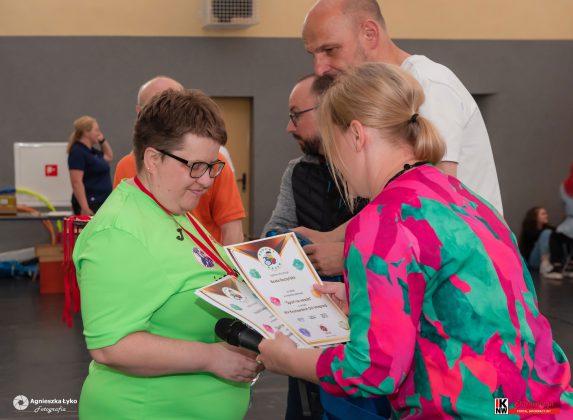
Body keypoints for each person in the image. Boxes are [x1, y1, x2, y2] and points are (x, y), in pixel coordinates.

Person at [257, 63, 573, 419]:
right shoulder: (461, 196)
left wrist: (290, 360)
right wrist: (372, 298)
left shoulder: (383, 218)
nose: (336, 163)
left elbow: (373, 371)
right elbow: (469, 299)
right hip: (535, 405)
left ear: (356, 135)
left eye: (333, 147)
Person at [73, 90, 261, 419]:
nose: (207, 180)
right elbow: (110, 346)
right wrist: (211, 358)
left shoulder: (174, 208)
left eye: (212, 166)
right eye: (196, 166)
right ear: (153, 159)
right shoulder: (118, 232)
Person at [262, 74, 367, 420]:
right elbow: (273, 236)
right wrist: (308, 248)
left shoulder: (375, 174)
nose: (289, 127)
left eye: (296, 115)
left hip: (363, 333)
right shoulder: (298, 172)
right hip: (309, 321)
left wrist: (341, 253)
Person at [113, 75, 245, 245]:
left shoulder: (215, 163)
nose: (206, 181)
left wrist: (225, 263)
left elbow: (232, 229)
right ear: (141, 113)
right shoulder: (125, 167)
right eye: (158, 108)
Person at [67, 115, 113, 215]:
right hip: (91, 204)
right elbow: (76, 182)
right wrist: (85, 207)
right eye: (96, 130)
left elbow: (109, 157)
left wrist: (102, 141)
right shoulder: (78, 152)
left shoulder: (92, 152)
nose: (99, 133)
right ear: (86, 132)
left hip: (101, 202)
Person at [518, 207, 554, 274]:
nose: (546, 216)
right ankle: (545, 264)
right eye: (543, 214)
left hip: (549, 260)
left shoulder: (548, 229)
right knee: (547, 233)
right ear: (535, 217)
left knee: (560, 235)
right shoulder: (528, 231)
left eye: (546, 213)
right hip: (533, 261)